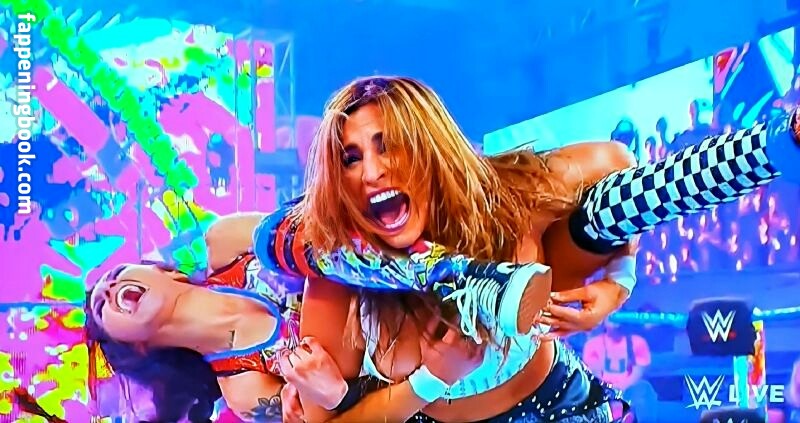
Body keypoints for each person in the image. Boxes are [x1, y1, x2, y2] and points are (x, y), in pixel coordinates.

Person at [258, 76, 800, 422]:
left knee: (606, 213)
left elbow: (617, 162)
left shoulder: (509, 195)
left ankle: (780, 141)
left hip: (564, 407)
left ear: (428, 147)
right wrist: (429, 380)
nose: (372, 172)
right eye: (351, 158)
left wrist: (620, 279)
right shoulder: (337, 271)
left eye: (389, 145)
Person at [82, 214, 350, 422]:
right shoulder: (244, 391)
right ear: (137, 348)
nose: (108, 288)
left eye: (116, 274)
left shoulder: (225, 242)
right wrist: (333, 399)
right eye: (101, 306)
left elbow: (326, 226)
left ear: (168, 272)